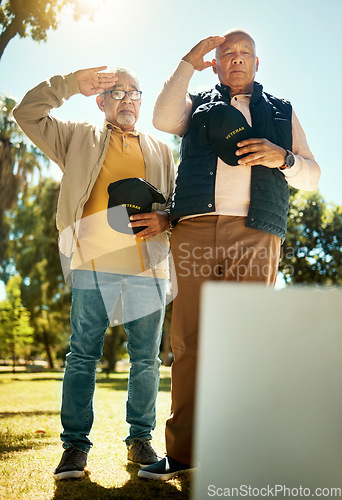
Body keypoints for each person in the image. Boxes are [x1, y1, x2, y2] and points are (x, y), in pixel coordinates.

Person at [138, 30, 320, 481]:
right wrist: (188, 60)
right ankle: (183, 452)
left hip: (256, 232)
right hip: (195, 229)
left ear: (257, 65)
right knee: (188, 343)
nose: (236, 60)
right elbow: (162, 118)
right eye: (226, 55)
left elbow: (313, 176)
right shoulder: (196, 105)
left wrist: (283, 158)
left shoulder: (282, 111)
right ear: (215, 64)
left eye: (244, 54)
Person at [14, 65, 176, 479]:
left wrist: (166, 219)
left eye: (134, 92)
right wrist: (70, 84)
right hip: (92, 264)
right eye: (117, 93)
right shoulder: (77, 137)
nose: (127, 100)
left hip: (147, 268)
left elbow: (175, 203)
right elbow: (26, 113)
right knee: (82, 355)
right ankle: (74, 448)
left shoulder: (161, 149)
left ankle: (141, 440)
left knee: (145, 361)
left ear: (141, 100)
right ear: (100, 100)